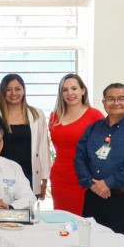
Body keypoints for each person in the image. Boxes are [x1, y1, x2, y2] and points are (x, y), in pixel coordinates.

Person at [75, 83, 124, 234]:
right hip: (93, 198)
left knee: (123, 246)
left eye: (121, 98)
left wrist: (107, 183)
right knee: (90, 243)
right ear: (104, 102)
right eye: (110, 99)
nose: (116, 102)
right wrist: (92, 184)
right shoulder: (92, 129)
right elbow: (80, 157)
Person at [49, 73, 104, 215]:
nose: (70, 93)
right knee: (61, 219)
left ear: (83, 90)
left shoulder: (95, 115)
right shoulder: (54, 116)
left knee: (83, 221)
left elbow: (105, 149)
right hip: (60, 177)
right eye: (65, 90)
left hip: (85, 178)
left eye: (74, 88)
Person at [0, 74, 50, 199]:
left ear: (24, 90)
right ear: (3, 92)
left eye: (17, 89)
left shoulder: (37, 115)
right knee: (2, 210)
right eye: (8, 89)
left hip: (29, 175)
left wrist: (44, 179)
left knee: (28, 210)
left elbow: (43, 147)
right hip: (2, 176)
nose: (13, 93)